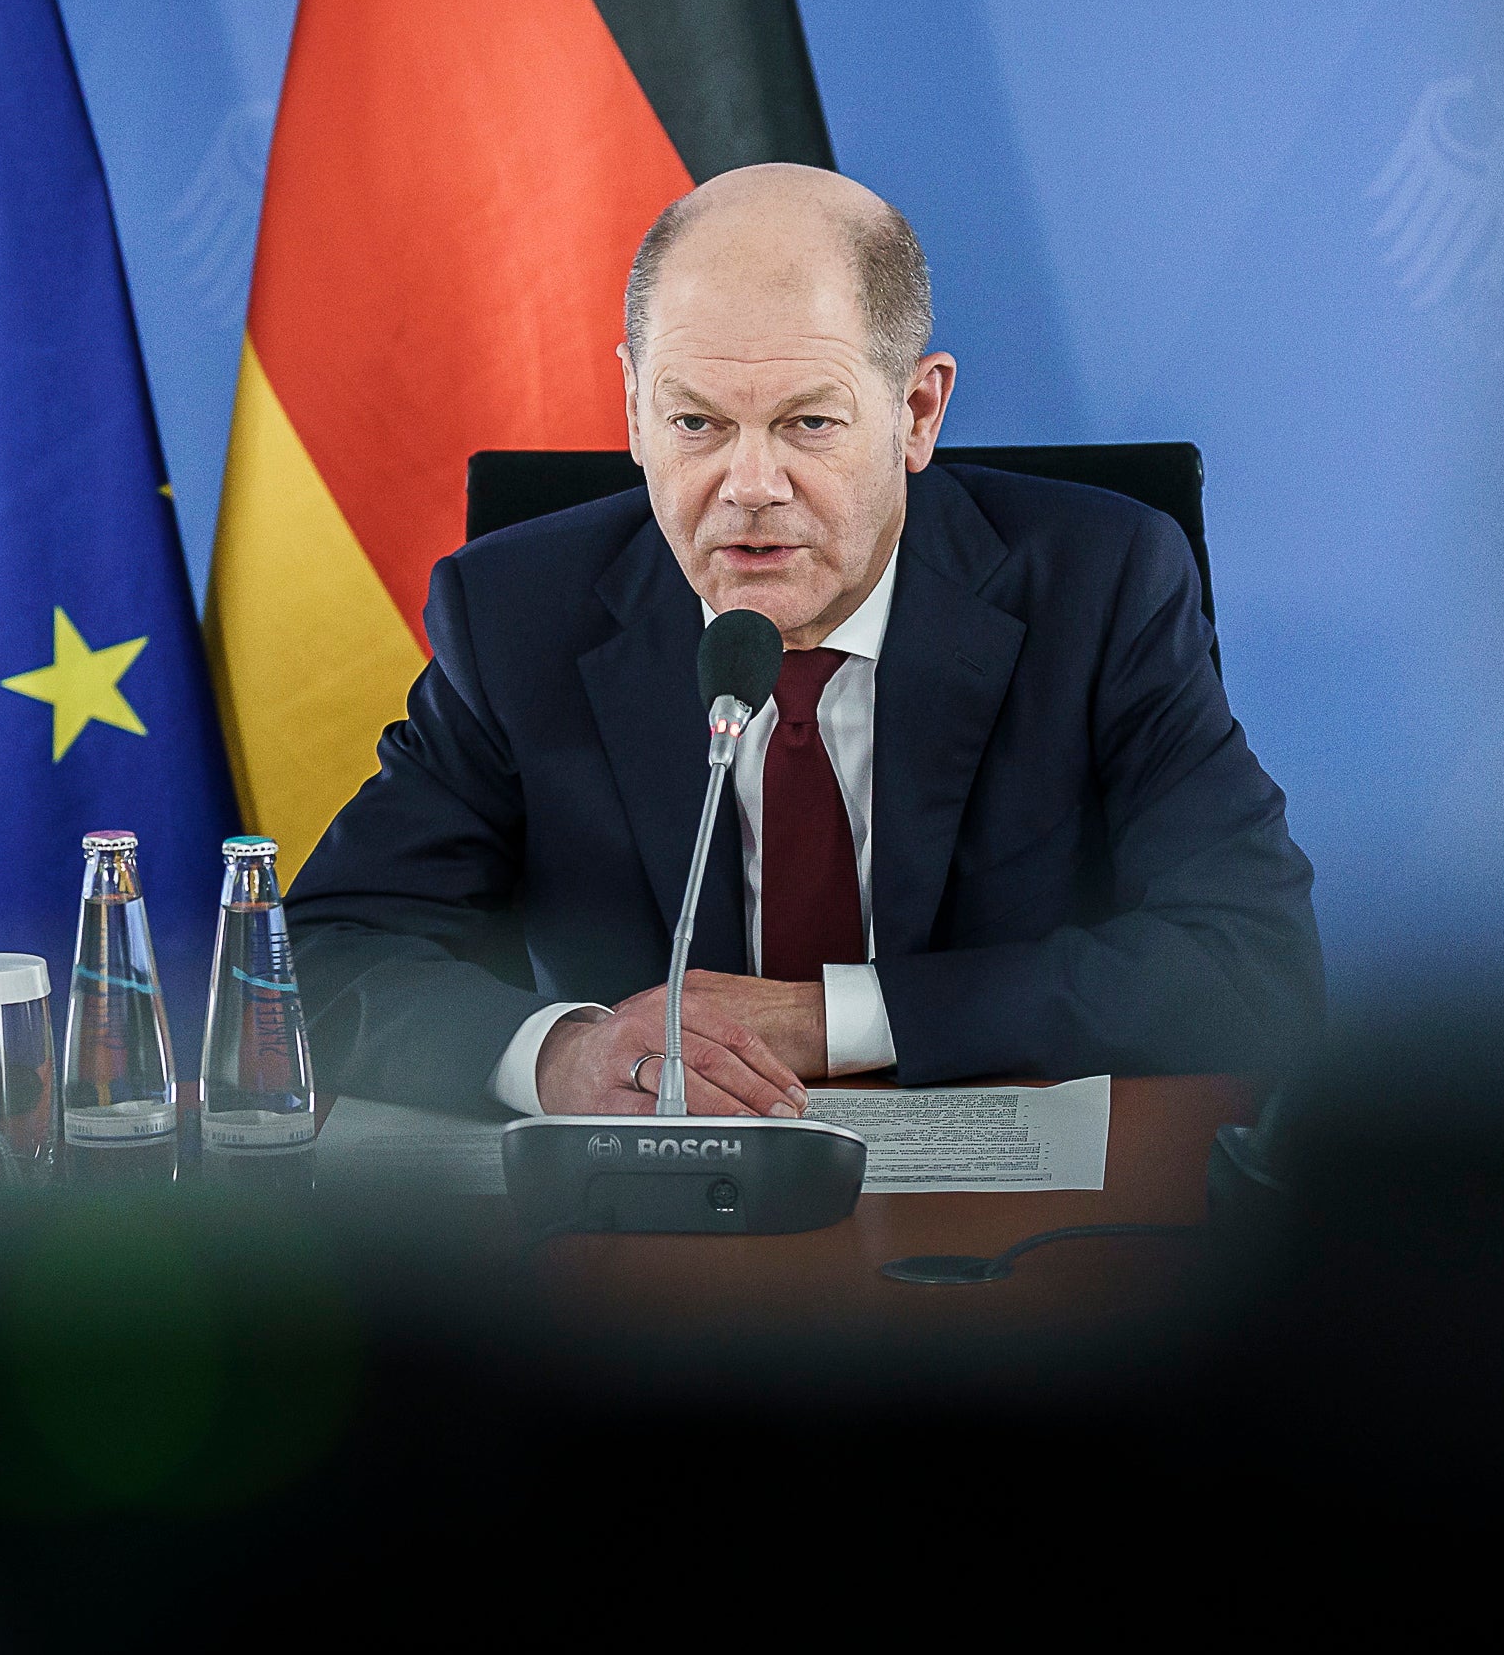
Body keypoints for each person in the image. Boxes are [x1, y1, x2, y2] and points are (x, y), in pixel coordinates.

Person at [285, 164, 1324, 1118]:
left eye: (808, 424)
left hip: (1008, 1254)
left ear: (915, 412)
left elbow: (1251, 963)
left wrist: (829, 1020)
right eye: (694, 423)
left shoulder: (1098, 588)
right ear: (635, 413)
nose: (747, 487)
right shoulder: (516, 614)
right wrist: (561, 1057)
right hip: (641, 1248)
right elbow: (321, 958)